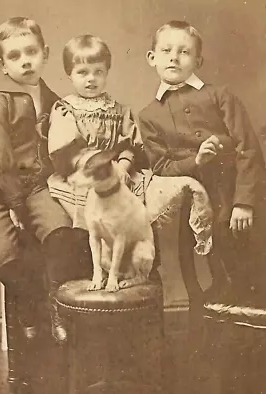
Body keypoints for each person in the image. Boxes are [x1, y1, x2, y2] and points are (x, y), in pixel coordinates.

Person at [47, 34, 213, 275]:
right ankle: (96, 275)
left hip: (121, 176)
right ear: (69, 74)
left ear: (107, 72)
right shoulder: (65, 109)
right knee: (89, 227)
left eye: (98, 72)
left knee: (137, 218)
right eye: (83, 72)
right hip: (85, 177)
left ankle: (143, 271)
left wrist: (123, 165)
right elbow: (68, 151)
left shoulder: (118, 110)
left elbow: (131, 145)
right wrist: (100, 168)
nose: (91, 79)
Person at [0, 17, 92, 346]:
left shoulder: (57, 101)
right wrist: (13, 205)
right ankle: (29, 306)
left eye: (31, 52)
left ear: (45, 53)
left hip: (40, 187)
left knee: (61, 234)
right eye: (14, 56)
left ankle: (57, 307)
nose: (25, 61)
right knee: (2, 252)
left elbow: (68, 146)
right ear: (1, 64)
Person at [139, 20, 266, 303]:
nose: (174, 57)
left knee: (259, 270)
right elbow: (161, 167)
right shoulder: (149, 115)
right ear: (152, 58)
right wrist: (196, 160)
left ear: (198, 61)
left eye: (184, 52)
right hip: (204, 203)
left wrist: (244, 202)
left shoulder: (220, 95)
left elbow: (248, 148)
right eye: (166, 50)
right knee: (223, 273)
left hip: (243, 195)